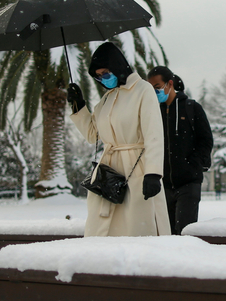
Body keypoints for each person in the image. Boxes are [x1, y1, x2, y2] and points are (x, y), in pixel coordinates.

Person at [67, 42, 171, 237]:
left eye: (105, 73)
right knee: (101, 228)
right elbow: (92, 134)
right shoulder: (107, 99)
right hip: (109, 173)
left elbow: (154, 135)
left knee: (136, 225)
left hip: (137, 168)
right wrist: (78, 106)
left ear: (117, 66)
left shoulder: (143, 90)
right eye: (98, 76)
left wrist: (154, 173)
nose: (103, 79)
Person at [147, 66, 214, 235]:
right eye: (151, 88)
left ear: (170, 84)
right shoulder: (152, 112)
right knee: (165, 234)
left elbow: (206, 140)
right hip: (163, 186)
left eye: (157, 87)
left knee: (184, 234)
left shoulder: (192, 108)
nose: (154, 92)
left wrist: (193, 164)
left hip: (188, 183)